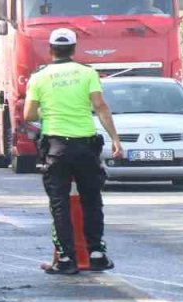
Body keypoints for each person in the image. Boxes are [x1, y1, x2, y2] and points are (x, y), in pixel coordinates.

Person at [23, 28, 124, 275]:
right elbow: (100, 106)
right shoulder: (87, 73)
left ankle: (66, 259)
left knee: (59, 204)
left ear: (50, 50)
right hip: (85, 146)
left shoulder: (39, 77)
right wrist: (115, 139)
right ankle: (97, 254)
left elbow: (28, 115)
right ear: (74, 49)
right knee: (92, 199)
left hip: (56, 147)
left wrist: (48, 112)